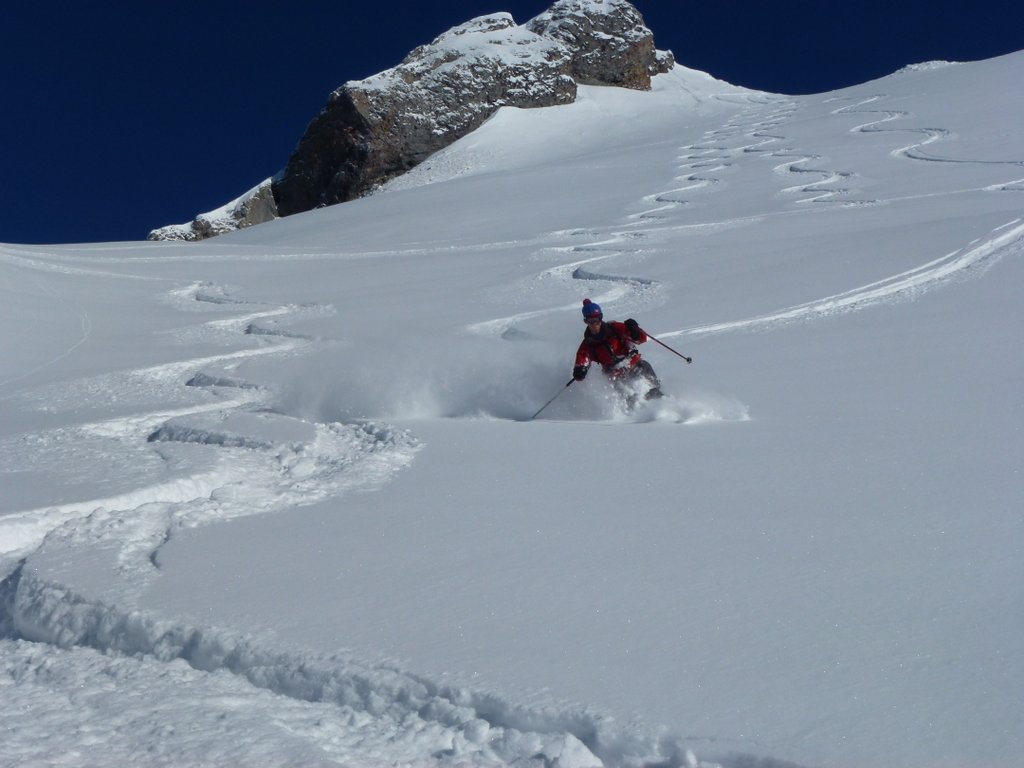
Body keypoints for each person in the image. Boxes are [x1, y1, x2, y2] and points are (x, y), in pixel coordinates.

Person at [572, 299, 663, 400]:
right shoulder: (587, 345)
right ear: (586, 321)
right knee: (630, 399)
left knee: (648, 375)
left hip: (634, 364)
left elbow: (641, 339)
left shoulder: (615, 328)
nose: (595, 324)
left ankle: (661, 400)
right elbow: (582, 362)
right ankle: (636, 411)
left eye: (597, 319)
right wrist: (579, 371)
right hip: (615, 376)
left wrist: (635, 331)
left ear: (601, 317)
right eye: (590, 321)